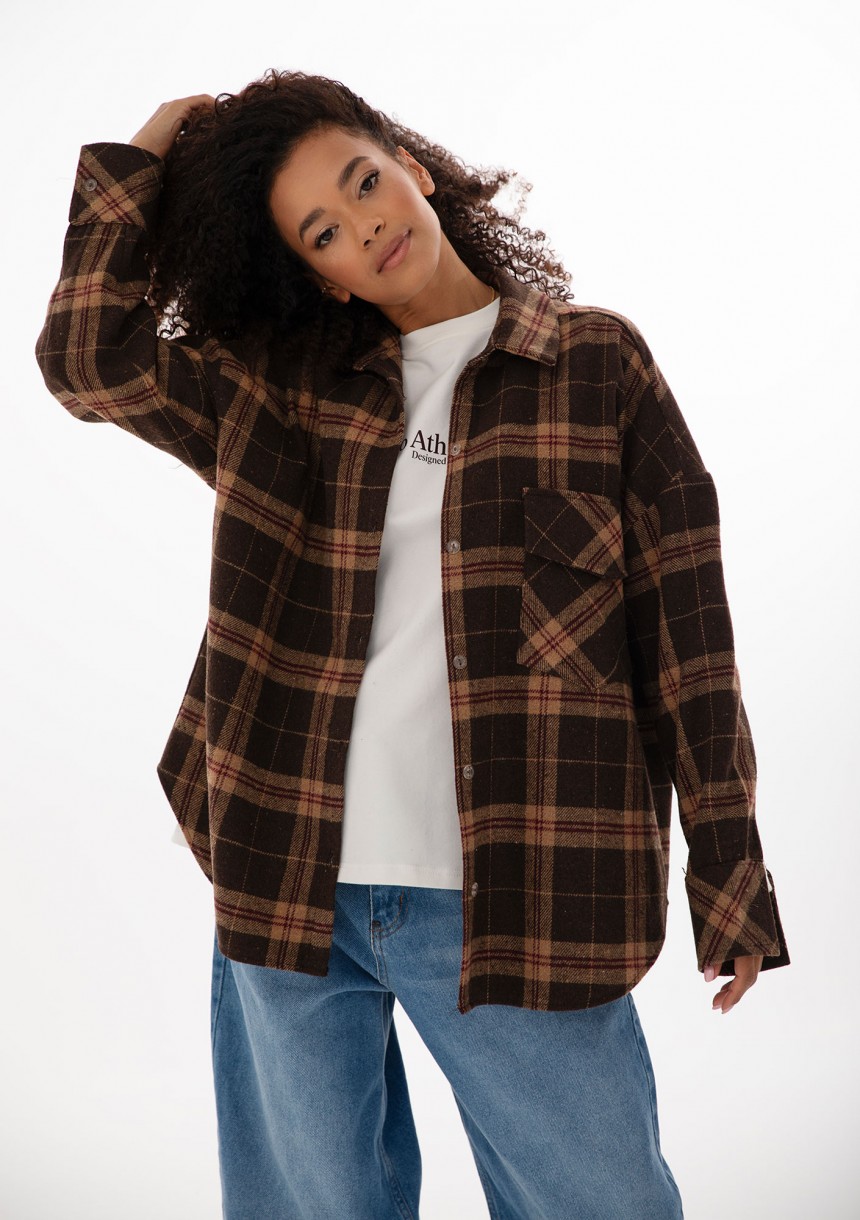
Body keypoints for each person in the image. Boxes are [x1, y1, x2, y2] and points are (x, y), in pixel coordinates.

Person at [34, 68, 790, 1219]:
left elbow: (687, 636)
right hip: (289, 878)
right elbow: (87, 358)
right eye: (321, 233)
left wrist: (727, 866)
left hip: (523, 886)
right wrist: (138, 159)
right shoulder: (278, 391)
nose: (362, 226)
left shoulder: (596, 366)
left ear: (413, 167)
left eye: (361, 182)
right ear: (319, 277)